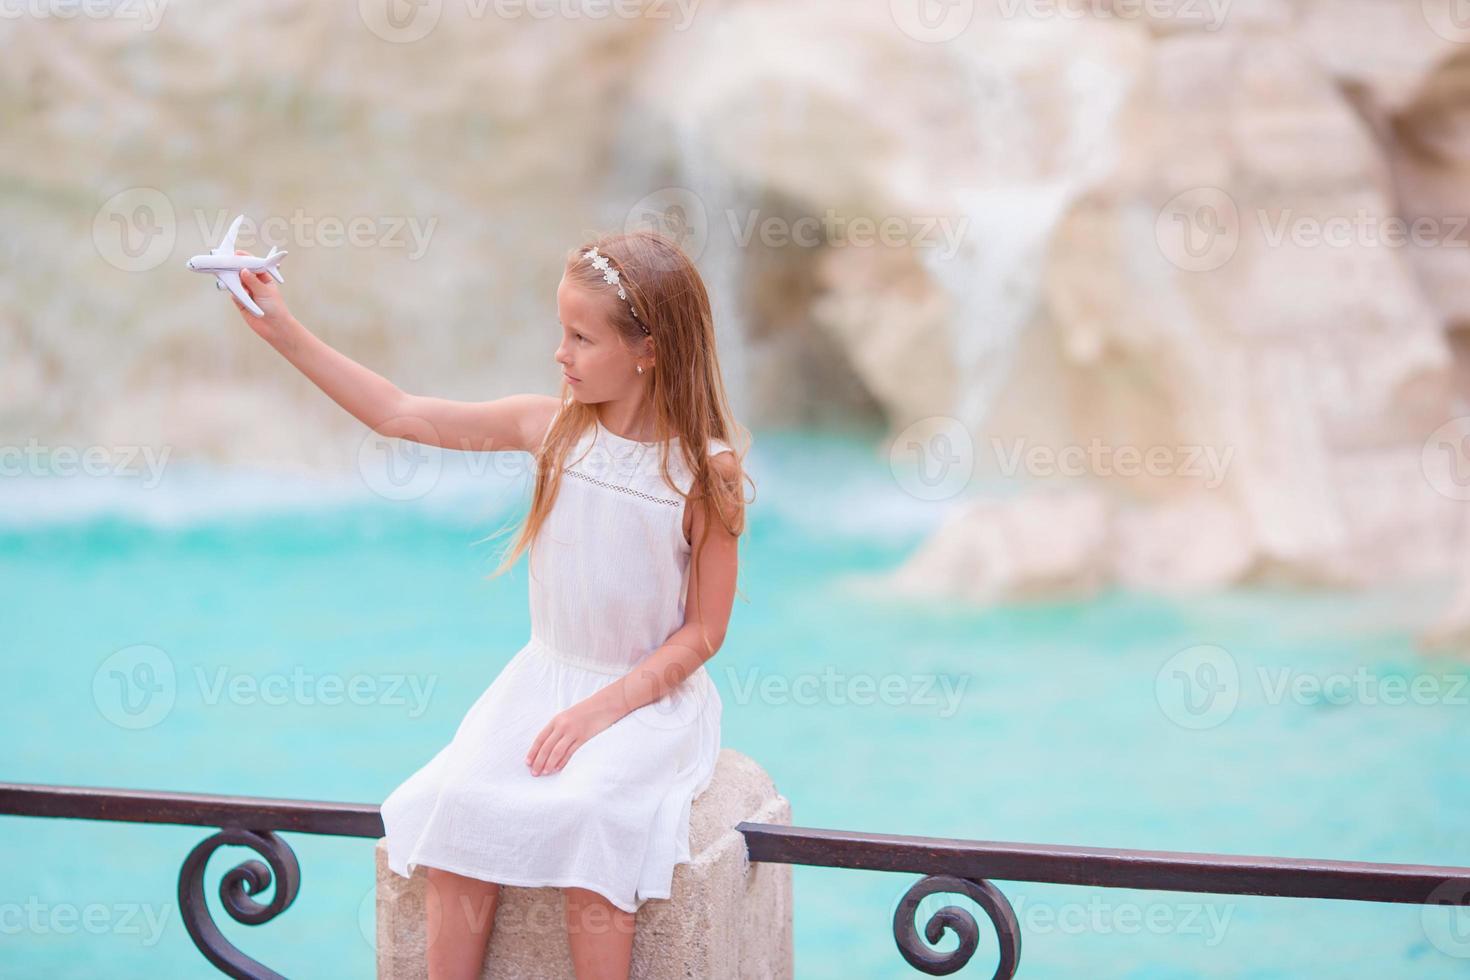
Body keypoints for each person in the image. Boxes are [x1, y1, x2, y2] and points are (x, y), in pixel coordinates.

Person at [228, 230, 751, 980]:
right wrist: (283, 330)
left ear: (649, 348)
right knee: (461, 802)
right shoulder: (548, 430)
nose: (559, 353)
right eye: (560, 332)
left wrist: (599, 710)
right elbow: (399, 413)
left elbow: (704, 631)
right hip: (542, 681)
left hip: (641, 699)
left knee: (593, 814)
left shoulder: (703, 472)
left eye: (580, 337)